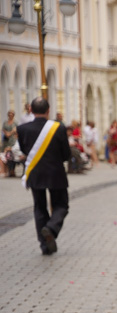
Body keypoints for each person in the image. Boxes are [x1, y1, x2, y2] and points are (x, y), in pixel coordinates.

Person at [17, 98, 71, 255]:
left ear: (31, 111)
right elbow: (66, 154)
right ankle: (51, 228)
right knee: (61, 205)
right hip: (55, 173)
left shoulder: (22, 129)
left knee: (39, 208)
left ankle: (44, 245)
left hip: (35, 172)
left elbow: (25, 150)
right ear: (48, 110)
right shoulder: (58, 128)